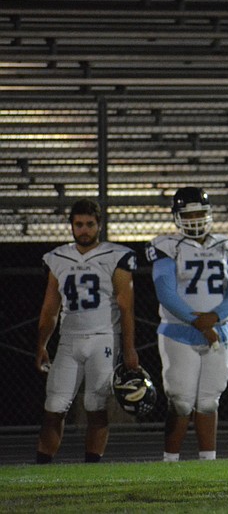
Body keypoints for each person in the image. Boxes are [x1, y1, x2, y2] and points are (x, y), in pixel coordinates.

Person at [35, 199, 138, 464]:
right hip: (68, 340)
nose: (84, 230)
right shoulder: (58, 257)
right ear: (71, 225)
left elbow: (126, 307)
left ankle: (92, 466)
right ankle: (42, 465)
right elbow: (50, 309)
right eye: (79, 224)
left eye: (89, 224)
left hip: (104, 339)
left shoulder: (116, 255)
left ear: (99, 225)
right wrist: (42, 344)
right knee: (54, 406)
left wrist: (129, 349)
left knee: (96, 405)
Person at [146, 187, 228, 462]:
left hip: (218, 331)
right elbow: (165, 292)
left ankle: (208, 461)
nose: (195, 219)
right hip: (180, 332)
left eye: (200, 213)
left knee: (208, 401)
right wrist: (199, 322)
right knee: (180, 400)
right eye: (188, 214)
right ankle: (169, 461)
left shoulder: (225, 245)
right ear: (177, 217)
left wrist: (212, 318)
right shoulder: (168, 246)